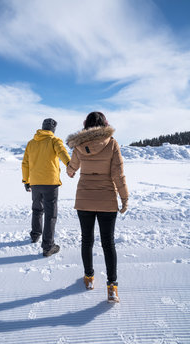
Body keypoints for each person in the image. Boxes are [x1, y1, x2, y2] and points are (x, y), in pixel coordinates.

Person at [66, 112, 128, 302]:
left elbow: (71, 170)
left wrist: (70, 169)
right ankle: (112, 286)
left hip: (84, 198)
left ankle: (89, 277)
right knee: (108, 243)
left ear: (86, 125)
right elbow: (118, 174)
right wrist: (124, 198)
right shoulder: (112, 143)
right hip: (107, 198)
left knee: (87, 240)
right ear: (105, 124)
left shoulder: (78, 145)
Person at [22, 118, 71, 257]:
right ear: (53, 130)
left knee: (37, 208)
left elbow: (25, 163)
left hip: (35, 182)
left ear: (42, 128)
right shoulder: (54, 141)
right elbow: (62, 153)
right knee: (50, 214)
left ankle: (35, 235)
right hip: (50, 183)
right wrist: (70, 165)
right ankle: (48, 246)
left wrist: (26, 181)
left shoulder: (31, 143)